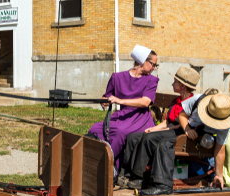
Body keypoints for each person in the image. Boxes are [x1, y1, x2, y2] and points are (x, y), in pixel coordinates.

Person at [116, 65, 200, 188]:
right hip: (170, 129)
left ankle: (140, 177)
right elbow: (167, 122)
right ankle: (126, 173)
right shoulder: (175, 101)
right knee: (132, 137)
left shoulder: (192, 103)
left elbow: (180, 126)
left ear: (183, 86)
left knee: (149, 138)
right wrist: (153, 128)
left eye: (175, 82)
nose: (172, 84)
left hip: (179, 133)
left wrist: (156, 132)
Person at [86, 45, 159, 174]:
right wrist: (104, 102)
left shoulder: (151, 80)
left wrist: (120, 101)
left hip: (140, 118)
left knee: (120, 131)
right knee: (95, 129)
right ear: (143, 61)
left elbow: (145, 102)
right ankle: (89, 158)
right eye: (153, 64)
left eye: (155, 65)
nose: (154, 68)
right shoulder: (117, 77)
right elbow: (107, 95)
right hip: (122, 115)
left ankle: (106, 165)